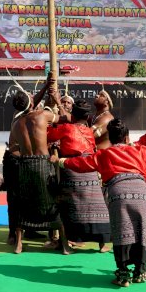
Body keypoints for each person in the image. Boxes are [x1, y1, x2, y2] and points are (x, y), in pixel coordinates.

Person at [51, 119, 146, 287]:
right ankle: (140, 271)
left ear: (110, 138)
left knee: (122, 231)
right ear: (127, 138)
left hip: (118, 194)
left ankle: (123, 275)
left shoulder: (104, 154)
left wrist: (59, 160)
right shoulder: (140, 151)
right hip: (142, 192)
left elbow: (82, 163)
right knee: (143, 230)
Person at [7, 77, 70, 254]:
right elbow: (65, 118)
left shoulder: (16, 124)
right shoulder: (42, 115)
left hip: (24, 165)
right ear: (31, 101)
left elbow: (13, 147)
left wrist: (45, 86)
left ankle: (19, 244)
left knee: (23, 203)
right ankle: (64, 245)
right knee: (54, 201)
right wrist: (57, 100)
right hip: (43, 164)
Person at [47, 99, 110, 251]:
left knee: (68, 206)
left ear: (72, 116)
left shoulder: (67, 128)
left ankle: (65, 244)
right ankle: (102, 244)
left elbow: (48, 135)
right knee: (96, 206)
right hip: (90, 169)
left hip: (73, 169)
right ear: (87, 117)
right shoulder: (89, 131)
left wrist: (51, 120)